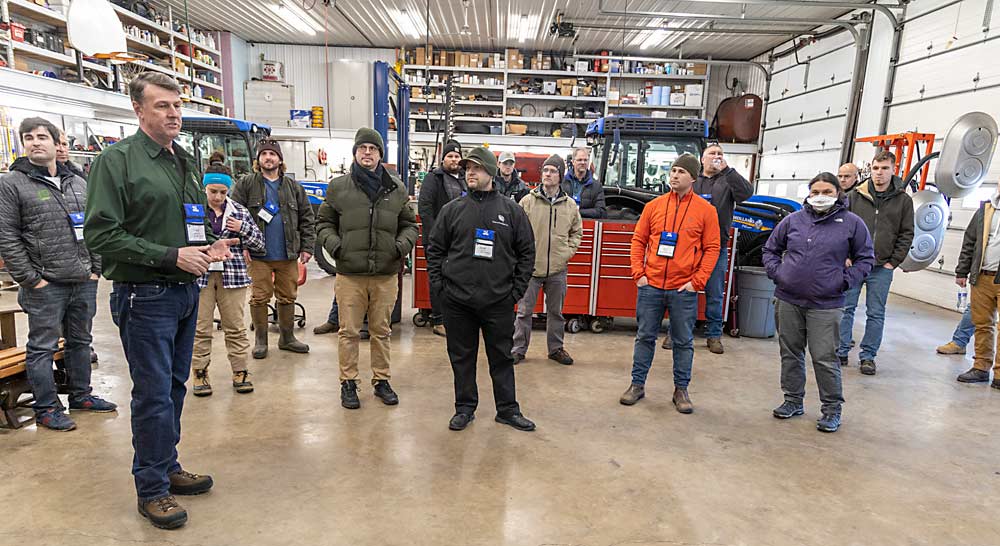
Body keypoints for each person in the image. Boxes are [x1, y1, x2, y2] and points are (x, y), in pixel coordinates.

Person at [85, 72, 238, 529]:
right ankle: (151, 489)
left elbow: (188, 222)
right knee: (152, 395)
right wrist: (171, 256)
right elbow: (101, 234)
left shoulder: (185, 162)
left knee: (173, 389)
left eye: (176, 105)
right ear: (138, 110)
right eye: (161, 106)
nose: (173, 114)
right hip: (144, 295)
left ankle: (167, 466)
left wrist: (209, 245)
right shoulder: (117, 162)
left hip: (184, 292)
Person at [0, 117, 115, 432]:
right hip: (44, 285)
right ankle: (47, 408)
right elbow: (6, 236)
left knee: (80, 341)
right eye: (28, 138)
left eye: (41, 137)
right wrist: (31, 278)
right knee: (43, 347)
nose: (35, 142)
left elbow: (95, 227)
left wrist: (95, 269)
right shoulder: (11, 184)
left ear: (56, 143)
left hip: (83, 280)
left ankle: (81, 396)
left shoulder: (78, 182)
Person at [426, 146, 536, 432]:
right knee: (462, 357)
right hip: (458, 302)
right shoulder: (452, 211)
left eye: (476, 167)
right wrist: (440, 289)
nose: (470, 172)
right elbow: (434, 250)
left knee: (502, 357)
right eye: (467, 168)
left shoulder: (511, 211)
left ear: (490, 172)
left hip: (498, 301)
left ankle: (508, 410)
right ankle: (464, 408)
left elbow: (527, 253)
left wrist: (515, 292)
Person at [763, 172, 875, 433]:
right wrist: (778, 273)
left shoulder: (851, 223)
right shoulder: (793, 220)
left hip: (826, 303)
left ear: (838, 194)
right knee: (790, 352)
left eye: (827, 192)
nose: (820, 197)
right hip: (788, 299)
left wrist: (843, 281)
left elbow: (866, 258)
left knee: (825, 357)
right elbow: (770, 249)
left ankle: (832, 409)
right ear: (808, 194)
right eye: (815, 192)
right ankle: (792, 400)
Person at [316, 128, 417, 410]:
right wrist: (337, 247)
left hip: (385, 274)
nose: (367, 153)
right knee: (348, 332)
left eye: (373, 149)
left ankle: (381, 380)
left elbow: (409, 225)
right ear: (355, 153)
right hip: (350, 274)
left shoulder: (396, 189)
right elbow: (323, 223)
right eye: (363, 148)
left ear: (380, 155)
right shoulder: (339, 187)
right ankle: (348, 383)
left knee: (381, 331)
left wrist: (400, 247)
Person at [620, 153, 719, 414]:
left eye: (681, 172)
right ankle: (637, 385)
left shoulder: (706, 211)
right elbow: (638, 241)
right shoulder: (654, 206)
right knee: (644, 337)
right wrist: (638, 274)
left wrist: (696, 282)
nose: (675, 175)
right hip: (651, 285)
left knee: (684, 341)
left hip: (682, 289)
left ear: (693, 178)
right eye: (673, 170)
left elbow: (712, 249)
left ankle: (681, 390)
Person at [662, 144, 752, 354]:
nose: (716, 157)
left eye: (720, 154)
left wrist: (729, 171)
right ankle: (676, 333)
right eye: (712, 153)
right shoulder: (692, 181)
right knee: (681, 292)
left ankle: (713, 336)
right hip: (688, 247)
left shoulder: (728, 181)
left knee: (714, 293)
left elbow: (747, 193)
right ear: (702, 159)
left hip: (716, 246)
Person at [231, 139, 315, 358]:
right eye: (264, 154)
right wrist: (241, 246)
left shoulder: (294, 187)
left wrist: (307, 247)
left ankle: (287, 338)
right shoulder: (246, 184)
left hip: (287, 254)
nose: (268, 157)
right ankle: (261, 340)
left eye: (273, 154)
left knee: (288, 296)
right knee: (259, 297)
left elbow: (307, 218)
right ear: (258, 159)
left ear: (280, 159)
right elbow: (234, 216)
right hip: (257, 254)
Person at [191, 163, 265, 397]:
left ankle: (240, 371)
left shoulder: (239, 212)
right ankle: (200, 373)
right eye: (213, 191)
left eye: (223, 192)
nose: (218, 197)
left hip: (232, 277)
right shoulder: (194, 211)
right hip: (200, 276)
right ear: (204, 189)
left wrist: (243, 229)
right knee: (200, 328)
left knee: (235, 327)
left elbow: (260, 244)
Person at [837, 151, 914, 375]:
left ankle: (868, 356)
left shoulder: (903, 200)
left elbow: (907, 233)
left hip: (882, 267)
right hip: (854, 264)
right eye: (875, 168)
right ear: (870, 170)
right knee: (845, 308)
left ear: (894, 169)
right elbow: (841, 227)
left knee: (876, 312)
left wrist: (893, 261)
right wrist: (845, 255)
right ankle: (841, 351)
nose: (879, 173)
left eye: (884, 169)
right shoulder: (854, 197)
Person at [512, 154, 582, 366]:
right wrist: (522, 258)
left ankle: (555, 349)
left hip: (558, 269)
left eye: (553, 171)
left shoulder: (570, 206)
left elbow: (576, 233)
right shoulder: (527, 201)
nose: (548, 175)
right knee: (523, 312)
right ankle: (518, 349)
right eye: (545, 170)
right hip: (531, 269)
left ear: (561, 176)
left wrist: (566, 253)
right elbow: (516, 233)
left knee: (556, 313)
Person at [418, 139, 465, 336]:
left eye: (457, 156)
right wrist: (437, 236)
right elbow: (425, 209)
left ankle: (456, 318)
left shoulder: (465, 179)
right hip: (438, 242)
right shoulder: (433, 179)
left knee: (457, 280)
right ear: (443, 159)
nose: (453, 160)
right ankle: (438, 320)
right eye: (450, 156)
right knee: (438, 279)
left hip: (460, 242)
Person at [955, 186, 1000, 388]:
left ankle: (999, 374)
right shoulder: (985, 210)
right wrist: (962, 271)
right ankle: (981, 367)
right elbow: (970, 241)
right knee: (982, 324)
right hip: (982, 276)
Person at [562, 147, 606, 219]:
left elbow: (601, 212)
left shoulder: (596, 186)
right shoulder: (562, 183)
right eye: (579, 160)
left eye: (585, 160)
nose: (583, 162)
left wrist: (577, 211)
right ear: (573, 162)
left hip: (585, 225)